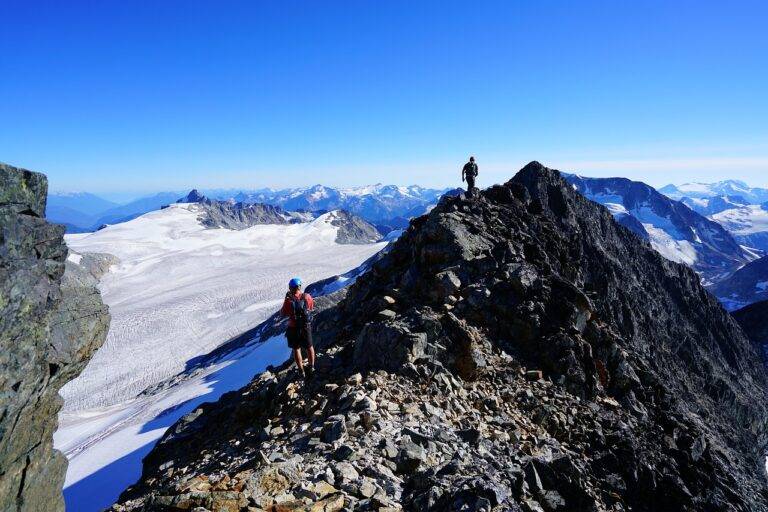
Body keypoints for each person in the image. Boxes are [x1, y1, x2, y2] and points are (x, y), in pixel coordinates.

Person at [281, 277, 316, 380]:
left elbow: (283, 313)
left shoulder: (289, 301)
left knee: (296, 349)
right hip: (306, 326)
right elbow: (311, 307)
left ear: (290, 288)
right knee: (310, 347)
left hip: (293, 327)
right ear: (300, 287)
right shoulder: (307, 296)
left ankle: (301, 371)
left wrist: (286, 299)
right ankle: (311, 367)